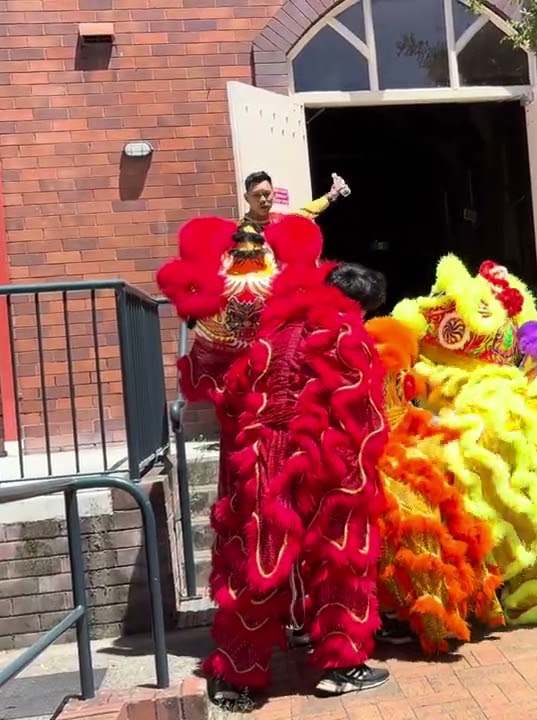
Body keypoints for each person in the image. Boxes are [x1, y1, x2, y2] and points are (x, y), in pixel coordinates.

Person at [156, 216, 392, 705]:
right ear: (358, 306)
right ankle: (339, 665)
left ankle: (241, 674)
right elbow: (363, 416)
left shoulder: (277, 328)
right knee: (338, 558)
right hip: (323, 461)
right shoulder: (346, 333)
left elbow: (239, 390)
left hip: (261, 453)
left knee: (259, 559)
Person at [240, 170, 350, 231]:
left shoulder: (279, 221)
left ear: (274, 195)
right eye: (256, 195)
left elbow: (307, 211)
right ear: (246, 198)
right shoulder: (240, 231)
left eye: (266, 194)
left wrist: (331, 194)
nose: (263, 199)